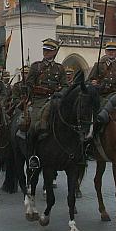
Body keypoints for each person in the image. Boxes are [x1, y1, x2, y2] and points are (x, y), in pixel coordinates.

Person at [25, 38, 67, 167]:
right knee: (33, 126)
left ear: (54, 52)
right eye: (44, 50)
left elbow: (65, 85)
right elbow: (28, 84)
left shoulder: (60, 68)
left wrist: (60, 93)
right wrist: (35, 89)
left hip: (55, 100)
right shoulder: (36, 66)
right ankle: (33, 155)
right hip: (39, 100)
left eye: (49, 50)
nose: (46, 52)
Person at [89, 41, 116, 128]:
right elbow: (89, 81)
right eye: (109, 50)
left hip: (114, 96)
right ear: (106, 52)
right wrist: (93, 83)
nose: (111, 52)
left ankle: (103, 115)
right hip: (99, 95)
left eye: (113, 51)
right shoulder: (98, 65)